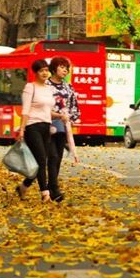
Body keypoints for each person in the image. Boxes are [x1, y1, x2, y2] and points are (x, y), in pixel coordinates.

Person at [16, 59, 55, 202]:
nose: (45, 73)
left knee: (40, 161)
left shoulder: (49, 89)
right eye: (41, 71)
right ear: (36, 72)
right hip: (32, 126)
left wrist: (62, 116)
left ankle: (23, 187)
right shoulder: (30, 87)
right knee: (41, 159)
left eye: (46, 70)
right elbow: (25, 110)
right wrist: (22, 130)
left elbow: (49, 110)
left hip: (46, 126)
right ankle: (45, 193)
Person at [47, 57, 80, 202]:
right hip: (46, 124)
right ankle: (53, 188)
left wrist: (70, 119)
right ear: (54, 69)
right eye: (62, 67)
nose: (65, 70)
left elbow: (74, 105)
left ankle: (51, 187)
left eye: (67, 68)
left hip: (62, 126)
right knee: (52, 156)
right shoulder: (46, 85)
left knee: (58, 157)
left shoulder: (68, 87)